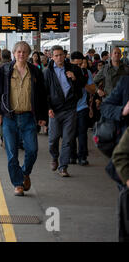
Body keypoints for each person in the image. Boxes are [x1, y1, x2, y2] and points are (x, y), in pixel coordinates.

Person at [0, 41, 48, 196]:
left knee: (32, 150)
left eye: (24, 52)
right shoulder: (5, 70)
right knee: (12, 153)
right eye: (18, 52)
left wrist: (42, 117)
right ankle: (18, 184)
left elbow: (42, 96)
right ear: (14, 53)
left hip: (29, 117)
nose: (21, 54)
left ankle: (25, 173)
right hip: (9, 117)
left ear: (28, 54)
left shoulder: (35, 72)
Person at [44, 45, 86, 177]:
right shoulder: (47, 72)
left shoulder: (74, 69)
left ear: (64, 55)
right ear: (51, 56)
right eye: (56, 55)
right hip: (55, 110)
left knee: (68, 139)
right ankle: (54, 157)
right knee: (53, 138)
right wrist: (48, 108)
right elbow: (44, 92)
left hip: (70, 109)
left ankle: (63, 166)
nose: (59, 58)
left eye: (61, 55)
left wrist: (75, 78)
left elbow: (82, 86)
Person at [70, 51, 95, 165]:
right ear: (71, 62)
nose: (79, 67)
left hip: (82, 107)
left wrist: (82, 82)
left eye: (81, 64)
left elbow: (92, 90)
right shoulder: (67, 72)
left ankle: (82, 156)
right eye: (76, 65)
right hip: (69, 108)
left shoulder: (87, 73)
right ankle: (72, 155)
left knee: (82, 133)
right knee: (71, 133)